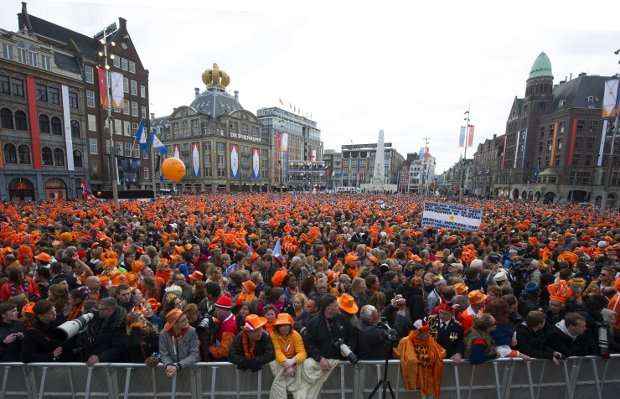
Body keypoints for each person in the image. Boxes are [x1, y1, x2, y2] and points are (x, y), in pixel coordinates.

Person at [299, 294, 357, 399]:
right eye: (335, 306)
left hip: (339, 364)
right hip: (321, 364)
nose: (337, 308)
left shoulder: (342, 319)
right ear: (327, 307)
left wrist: (349, 348)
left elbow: (352, 336)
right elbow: (309, 344)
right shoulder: (313, 322)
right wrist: (319, 358)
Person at [394, 321, 446, 399]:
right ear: (416, 332)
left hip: (429, 378)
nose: (426, 334)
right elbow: (398, 355)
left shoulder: (431, 341)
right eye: (423, 331)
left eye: (427, 331)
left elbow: (441, 352)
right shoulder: (405, 341)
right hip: (415, 380)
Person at [76, 297, 128, 364]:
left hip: (111, 364)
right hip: (96, 361)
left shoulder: (120, 324)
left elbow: (119, 347)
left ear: (110, 310)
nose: (99, 311)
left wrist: (100, 357)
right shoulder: (99, 320)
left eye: (101, 309)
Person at [269, 312, 307, 399]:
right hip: (281, 364)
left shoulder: (296, 335)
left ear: (290, 326)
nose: (284, 328)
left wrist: (292, 362)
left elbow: (302, 352)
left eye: (286, 325)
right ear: (277, 327)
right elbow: (277, 351)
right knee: (274, 365)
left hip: (294, 364)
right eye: (281, 325)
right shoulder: (273, 335)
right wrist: (287, 365)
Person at [159, 309, 200, 377]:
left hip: (190, 370)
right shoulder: (163, 334)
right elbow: (164, 354)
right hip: (171, 372)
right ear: (174, 324)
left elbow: (194, 354)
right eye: (183, 320)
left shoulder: (192, 331)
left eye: (186, 318)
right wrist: (169, 365)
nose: (187, 321)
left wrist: (178, 365)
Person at [206, 295, 237, 360]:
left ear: (225, 310)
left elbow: (223, 352)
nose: (216, 312)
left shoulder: (229, 327)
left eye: (217, 310)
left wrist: (208, 348)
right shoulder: (226, 318)